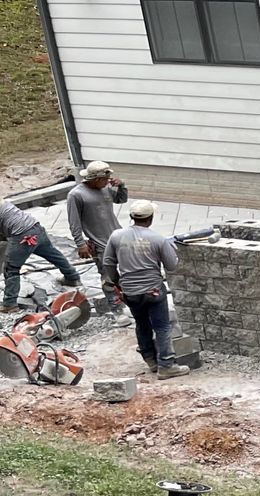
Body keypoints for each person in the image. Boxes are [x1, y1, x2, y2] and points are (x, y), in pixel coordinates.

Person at [101, 201, 188, 378]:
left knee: (142, 324)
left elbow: (108, 263)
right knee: (162, 327)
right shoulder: (158, 239)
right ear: (151, 218)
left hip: (130, 292)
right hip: (153, 290)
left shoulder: (117, 236)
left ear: (132, 217)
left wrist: (118, 284)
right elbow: (171, 266)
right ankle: (166, 365)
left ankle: (150, 359)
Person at [1, 197, 82, 314]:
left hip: (23, 236)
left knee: (11, 268)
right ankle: (72, 277)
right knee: (53, 254)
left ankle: (10, 304)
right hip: (36, 228)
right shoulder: (3, 202)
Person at [65, 160, 127, 263]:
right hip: (100, 244)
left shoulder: (105, 188)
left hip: (118, 237)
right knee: (108, 274)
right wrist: (81, 244)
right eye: (105, 179)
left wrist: (122, 186)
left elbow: (121, 200)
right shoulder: (76, 195)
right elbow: (74, 222)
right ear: (95, 179)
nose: (108, 182)